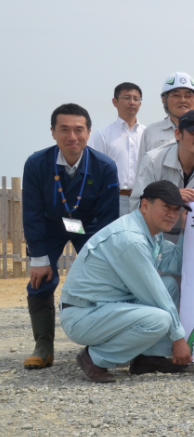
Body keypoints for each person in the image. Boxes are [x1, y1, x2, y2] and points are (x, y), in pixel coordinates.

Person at [60, 180, 194, 383]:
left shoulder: (149, 233)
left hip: (103, 308)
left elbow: (174, 263)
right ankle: (95, 358)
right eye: (166, 207)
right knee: (159, 319)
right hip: (83, 315)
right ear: (145, 205)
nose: (172, 214)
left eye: (176, 209)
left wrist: (185, 228)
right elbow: (154, 293)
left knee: (169, 285)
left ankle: (149, 359)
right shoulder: (130, 238)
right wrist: (178, 338)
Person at [22, 103, 120, 370]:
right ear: (53, 132)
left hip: (89, 228)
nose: (72, 137)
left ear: (89, 132)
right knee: (40, 278)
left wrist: (98, 258)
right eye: (64, 130)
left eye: (79, 130)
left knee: (102, 279)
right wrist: (39, 257)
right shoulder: (36, 164)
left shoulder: (105, 166)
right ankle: (43, 346)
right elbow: (31, 213)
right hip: (50, 226)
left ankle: (97, 342)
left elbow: (108, 217)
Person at [131, 111, 194, 243]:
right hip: (157, 238)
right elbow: (136, 207)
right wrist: (170, 198)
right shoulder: (152, 160)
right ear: (178, 134)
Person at [138, 72, 194, 159]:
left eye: (188, 95)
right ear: (164, 100)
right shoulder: (151, 132)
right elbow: (142, 169)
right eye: (176, 95)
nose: (182, 100)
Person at [89, 82, 145, 216]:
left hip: (143, 199)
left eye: (136, 99)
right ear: (114, 102)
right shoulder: (102, 135)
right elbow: (93, 171)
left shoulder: (147, 133)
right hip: (113, 198)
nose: (132, 102)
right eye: (126, 98)